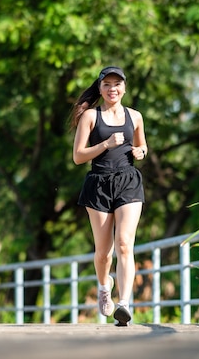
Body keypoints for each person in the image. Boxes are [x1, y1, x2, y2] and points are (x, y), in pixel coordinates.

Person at [70, 65, 147, 326]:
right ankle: (105, 287)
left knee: (125, 243)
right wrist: (104, 144)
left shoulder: (135, 116)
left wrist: (141, 152)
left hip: (128, 181)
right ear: (100, 88)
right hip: (98, 184)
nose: (112, 88)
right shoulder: (91, 116)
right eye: (107, 84)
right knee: (104, 253)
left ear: (124, 87)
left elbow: (142, 144)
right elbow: (78, 156)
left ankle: (124, 304)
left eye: (117, 84)